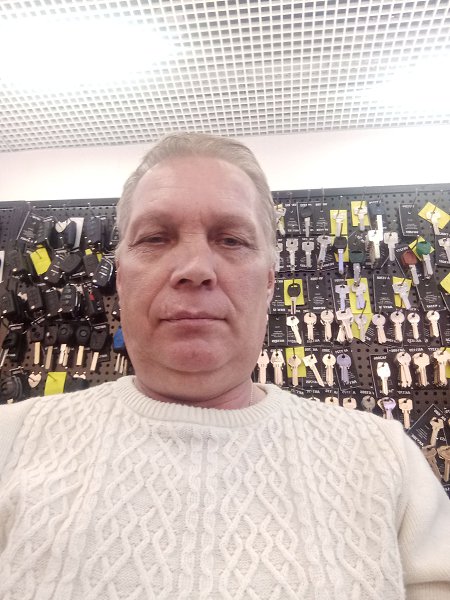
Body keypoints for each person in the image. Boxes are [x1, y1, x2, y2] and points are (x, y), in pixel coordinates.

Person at [0, 132, 449, 600]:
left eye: (232, 240)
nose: (195, 268)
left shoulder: (386, 461)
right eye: (155, 238)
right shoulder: (11, 442)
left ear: (270, 282)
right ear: (122, 277)